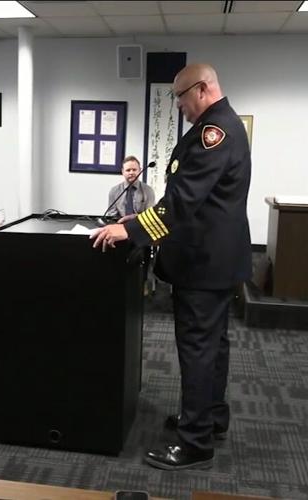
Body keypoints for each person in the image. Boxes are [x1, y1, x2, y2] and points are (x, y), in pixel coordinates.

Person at [91, 63, 252, 471]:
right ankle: (210, 418)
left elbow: (184, 201)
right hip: (216, 260)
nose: (178, 105)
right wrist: (138, 220)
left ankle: (195, 442)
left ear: (201, 89)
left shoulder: (215, 133)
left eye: (180, 97)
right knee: (213, 346)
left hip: (202, 263)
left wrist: (131, 231)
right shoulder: (222, 125)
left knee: (198, 349)